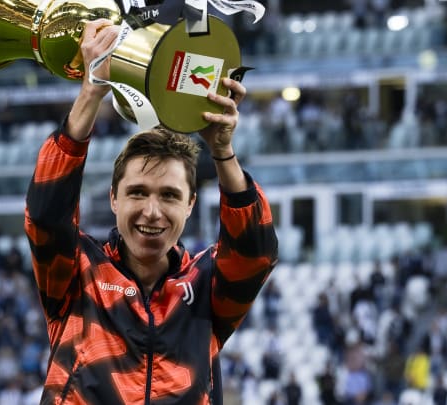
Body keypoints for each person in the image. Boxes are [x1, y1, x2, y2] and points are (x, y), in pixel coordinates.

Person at [24, 19, 278, 404]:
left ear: (191, 205)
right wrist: (92, 90)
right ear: (113, 199)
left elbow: (256, 254)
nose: (152, 211)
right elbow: (45, 214)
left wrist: (223, 151)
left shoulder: (205, 285)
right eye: (138, 193)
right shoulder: (80, 274)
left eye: (170, 196)